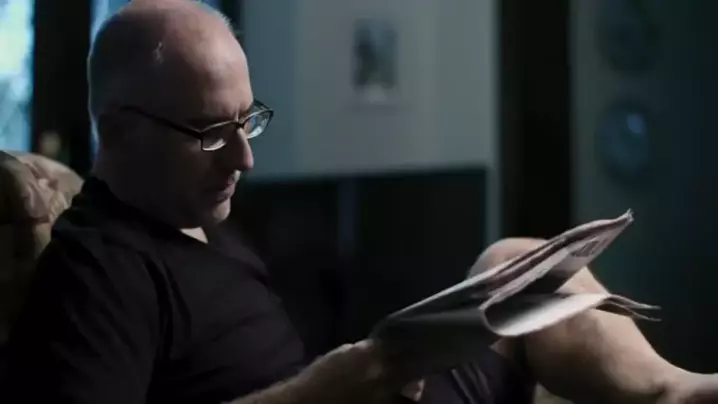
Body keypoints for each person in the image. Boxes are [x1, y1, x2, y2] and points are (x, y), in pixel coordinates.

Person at [6, 1, 718, 403]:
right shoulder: (96, 272)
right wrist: (337, 382)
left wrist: (382, 371)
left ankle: (677, 393)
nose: (244, 158)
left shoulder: (184, 216)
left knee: (520, 264)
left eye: (248, 122)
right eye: (210, 134)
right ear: (119, 130)